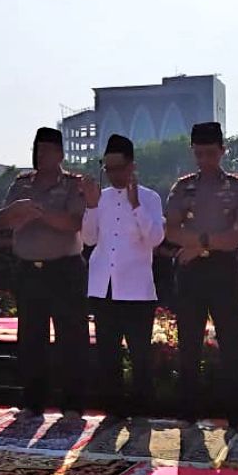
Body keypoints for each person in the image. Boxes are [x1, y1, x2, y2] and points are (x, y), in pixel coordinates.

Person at [164, 121, 238, 433]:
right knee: (188, 344)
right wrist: (206, 242)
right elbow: (170, 229)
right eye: (199, 153)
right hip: (190, 272)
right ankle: (187, 413)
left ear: (222, 151)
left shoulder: (237, 187)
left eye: (211, 153)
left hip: (223, 270)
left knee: (231, 343)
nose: (205, 159)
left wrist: (200, 244)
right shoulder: (182, 187)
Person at [0, 127, 87, 418]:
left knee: (70, 337)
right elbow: (3, 219)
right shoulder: (21, 183)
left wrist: (40, 214)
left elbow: (74, 222)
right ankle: (32, 402)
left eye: (48, 151)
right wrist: (19, 212)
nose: (41, 156)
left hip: (64, 269)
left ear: (60, 154)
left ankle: (72, 404)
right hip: (28, 269)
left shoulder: (73, 184)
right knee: (30, 337)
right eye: (38, 150)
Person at [80, 134, 166, 419]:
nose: (114, 174)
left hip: (137, 289)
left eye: (119, 168)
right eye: (108, 169)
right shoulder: (99, 199)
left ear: (132, 166)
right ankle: (113, 410)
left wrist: (136, 205)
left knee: (140, 354)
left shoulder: (149, 197)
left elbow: (154, 238)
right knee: (108, 353)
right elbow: (88, 239)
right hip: (104, 287)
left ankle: (143, 411)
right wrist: (91, 207)